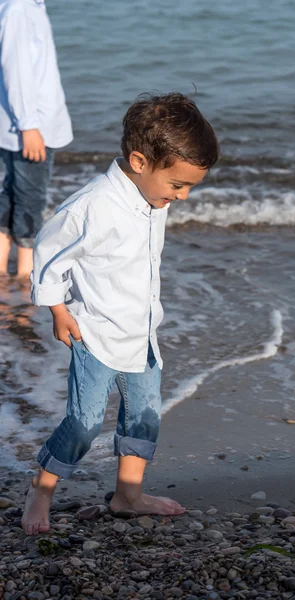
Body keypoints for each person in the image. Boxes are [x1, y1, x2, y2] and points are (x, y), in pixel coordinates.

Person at [21, 92, 219, 535]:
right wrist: (56, 308)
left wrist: (167, 193)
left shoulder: (153, 197)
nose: (183, 196)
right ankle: (42, 488)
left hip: (142, 331)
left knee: (145, 415)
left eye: (189, 187)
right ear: (140, 161)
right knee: (85, 420)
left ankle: (128, 495)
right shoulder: (92, 206)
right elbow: (50, 253)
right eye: (178, 185)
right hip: (97, 332)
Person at [0, 0, 73, 277]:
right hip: (31, 126)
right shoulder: (19, 8)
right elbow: (15, 71)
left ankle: (5, 269)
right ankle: (23, 274)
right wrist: (29, 126)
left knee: (14, 193)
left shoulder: (28, 6)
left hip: (22, 123)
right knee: (31, 198)